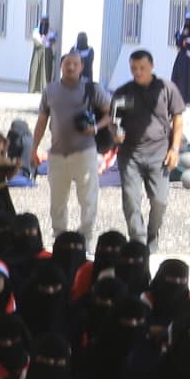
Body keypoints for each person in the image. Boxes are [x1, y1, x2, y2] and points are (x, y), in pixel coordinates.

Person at [110, 48, 186, 255]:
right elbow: (114, 121)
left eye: (142, 68)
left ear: (151, 66)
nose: (138, 72)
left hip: (159, 154)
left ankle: (152, 237)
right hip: (130, 155)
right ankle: (138, 242)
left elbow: (178, 121)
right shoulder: (123, 92)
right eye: (134, 68)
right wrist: (116, 134)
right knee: (131, 201)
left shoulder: (167, 89)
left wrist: (175, 149)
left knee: (160, 201)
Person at [33, 50, 112, 247]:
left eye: (75, 64)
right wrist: (33, 148)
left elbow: (111, 112)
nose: (70, 67)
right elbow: (42, 121)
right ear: (61, 66)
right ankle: (60, 238)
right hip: (58, 154)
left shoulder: (92, 90)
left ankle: (85, 238)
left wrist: (95, 127)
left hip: (84, 152)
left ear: (82, 67)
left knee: (87, 199)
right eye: (67, 63)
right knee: (57, 201)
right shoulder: (50, 90)